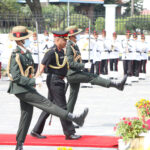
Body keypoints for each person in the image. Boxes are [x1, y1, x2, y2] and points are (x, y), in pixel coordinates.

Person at [6, 26, 88, 150]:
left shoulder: (25, 52)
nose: (28, 39)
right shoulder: (16, 55)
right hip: (21, 89)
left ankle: (19, 145)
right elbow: (16, 77)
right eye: (26, 38)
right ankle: (74, 118)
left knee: (26, 116)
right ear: (20, 40)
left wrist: (33, 80)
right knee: (47, 104)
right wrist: (34, 80)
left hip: (26, 87)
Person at [31, 31, 81, 140]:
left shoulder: (61, 52)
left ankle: (36, 130)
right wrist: (35, 80)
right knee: (62, 107)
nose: (66, 42)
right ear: (57, 40)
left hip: (59, 81)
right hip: (54, 81)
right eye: (64, 40)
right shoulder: (51, 52)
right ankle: (69, 133)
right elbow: (42, 66)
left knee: (50, 106)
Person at [65, 26, 127, 113]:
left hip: (75, 73)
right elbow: (71, 63)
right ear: (71, 36)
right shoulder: (69, 47)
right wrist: (84, 65)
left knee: (73, 96)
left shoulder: (74, 45)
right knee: (92, 77)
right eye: (76, 35)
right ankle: (116, 85)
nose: (78, 36)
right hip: (72, 74)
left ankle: (68, 118)